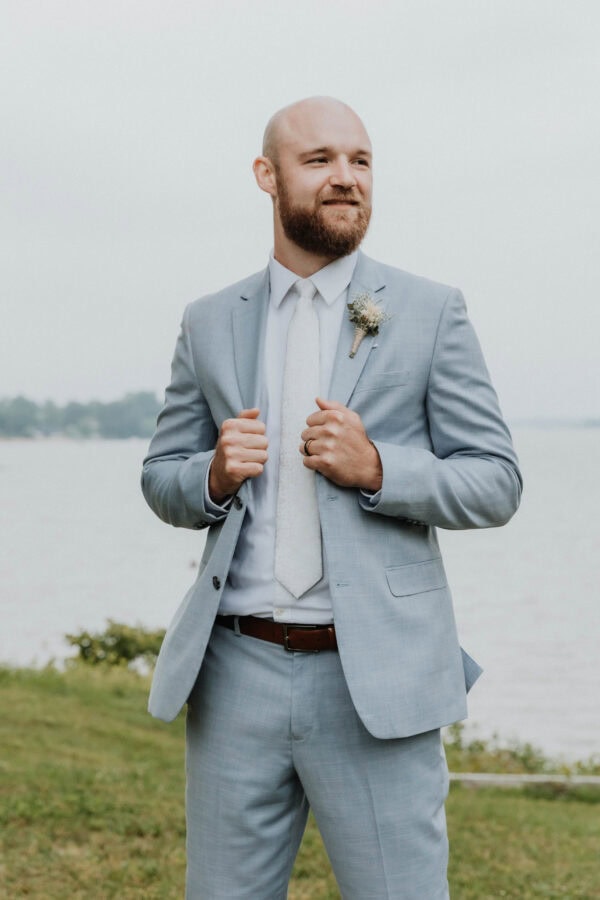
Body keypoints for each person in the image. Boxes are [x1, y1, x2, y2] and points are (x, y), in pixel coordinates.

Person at [141, 96, 522, 899]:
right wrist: (210, 476)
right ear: (267, 176)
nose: (346, 178)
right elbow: (161, 475)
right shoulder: (209, 321)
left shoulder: (430, 310)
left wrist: (381, 468)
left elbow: (496, 480)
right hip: (233, 672)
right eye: (319, 161)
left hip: (375, 676)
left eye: (360, 161)